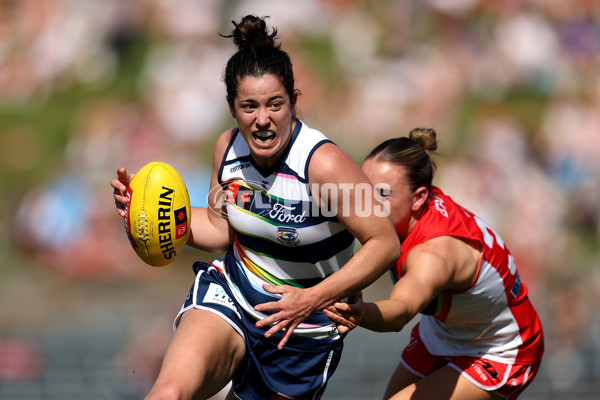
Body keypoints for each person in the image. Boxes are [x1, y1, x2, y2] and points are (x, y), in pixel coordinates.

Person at [111, 15, 400, 400]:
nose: (262, 119)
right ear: (232, 108)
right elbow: (218, 228)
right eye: (249, 106)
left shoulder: (323, 164)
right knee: (170, 392)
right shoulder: (227, 150)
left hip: (302, 332)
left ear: (294, 102)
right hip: (233, 293)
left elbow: (384, 243)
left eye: (274, 104)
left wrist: (313, 298)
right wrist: (144, 214)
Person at [324, 127, 544, 400]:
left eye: (382, 194)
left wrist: (361, 313)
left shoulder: (433, 253)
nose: (367, 203)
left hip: (501, 348)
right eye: (364, 189)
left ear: (418, 198)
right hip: (445, 332)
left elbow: (400, 312)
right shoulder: (407, 207)